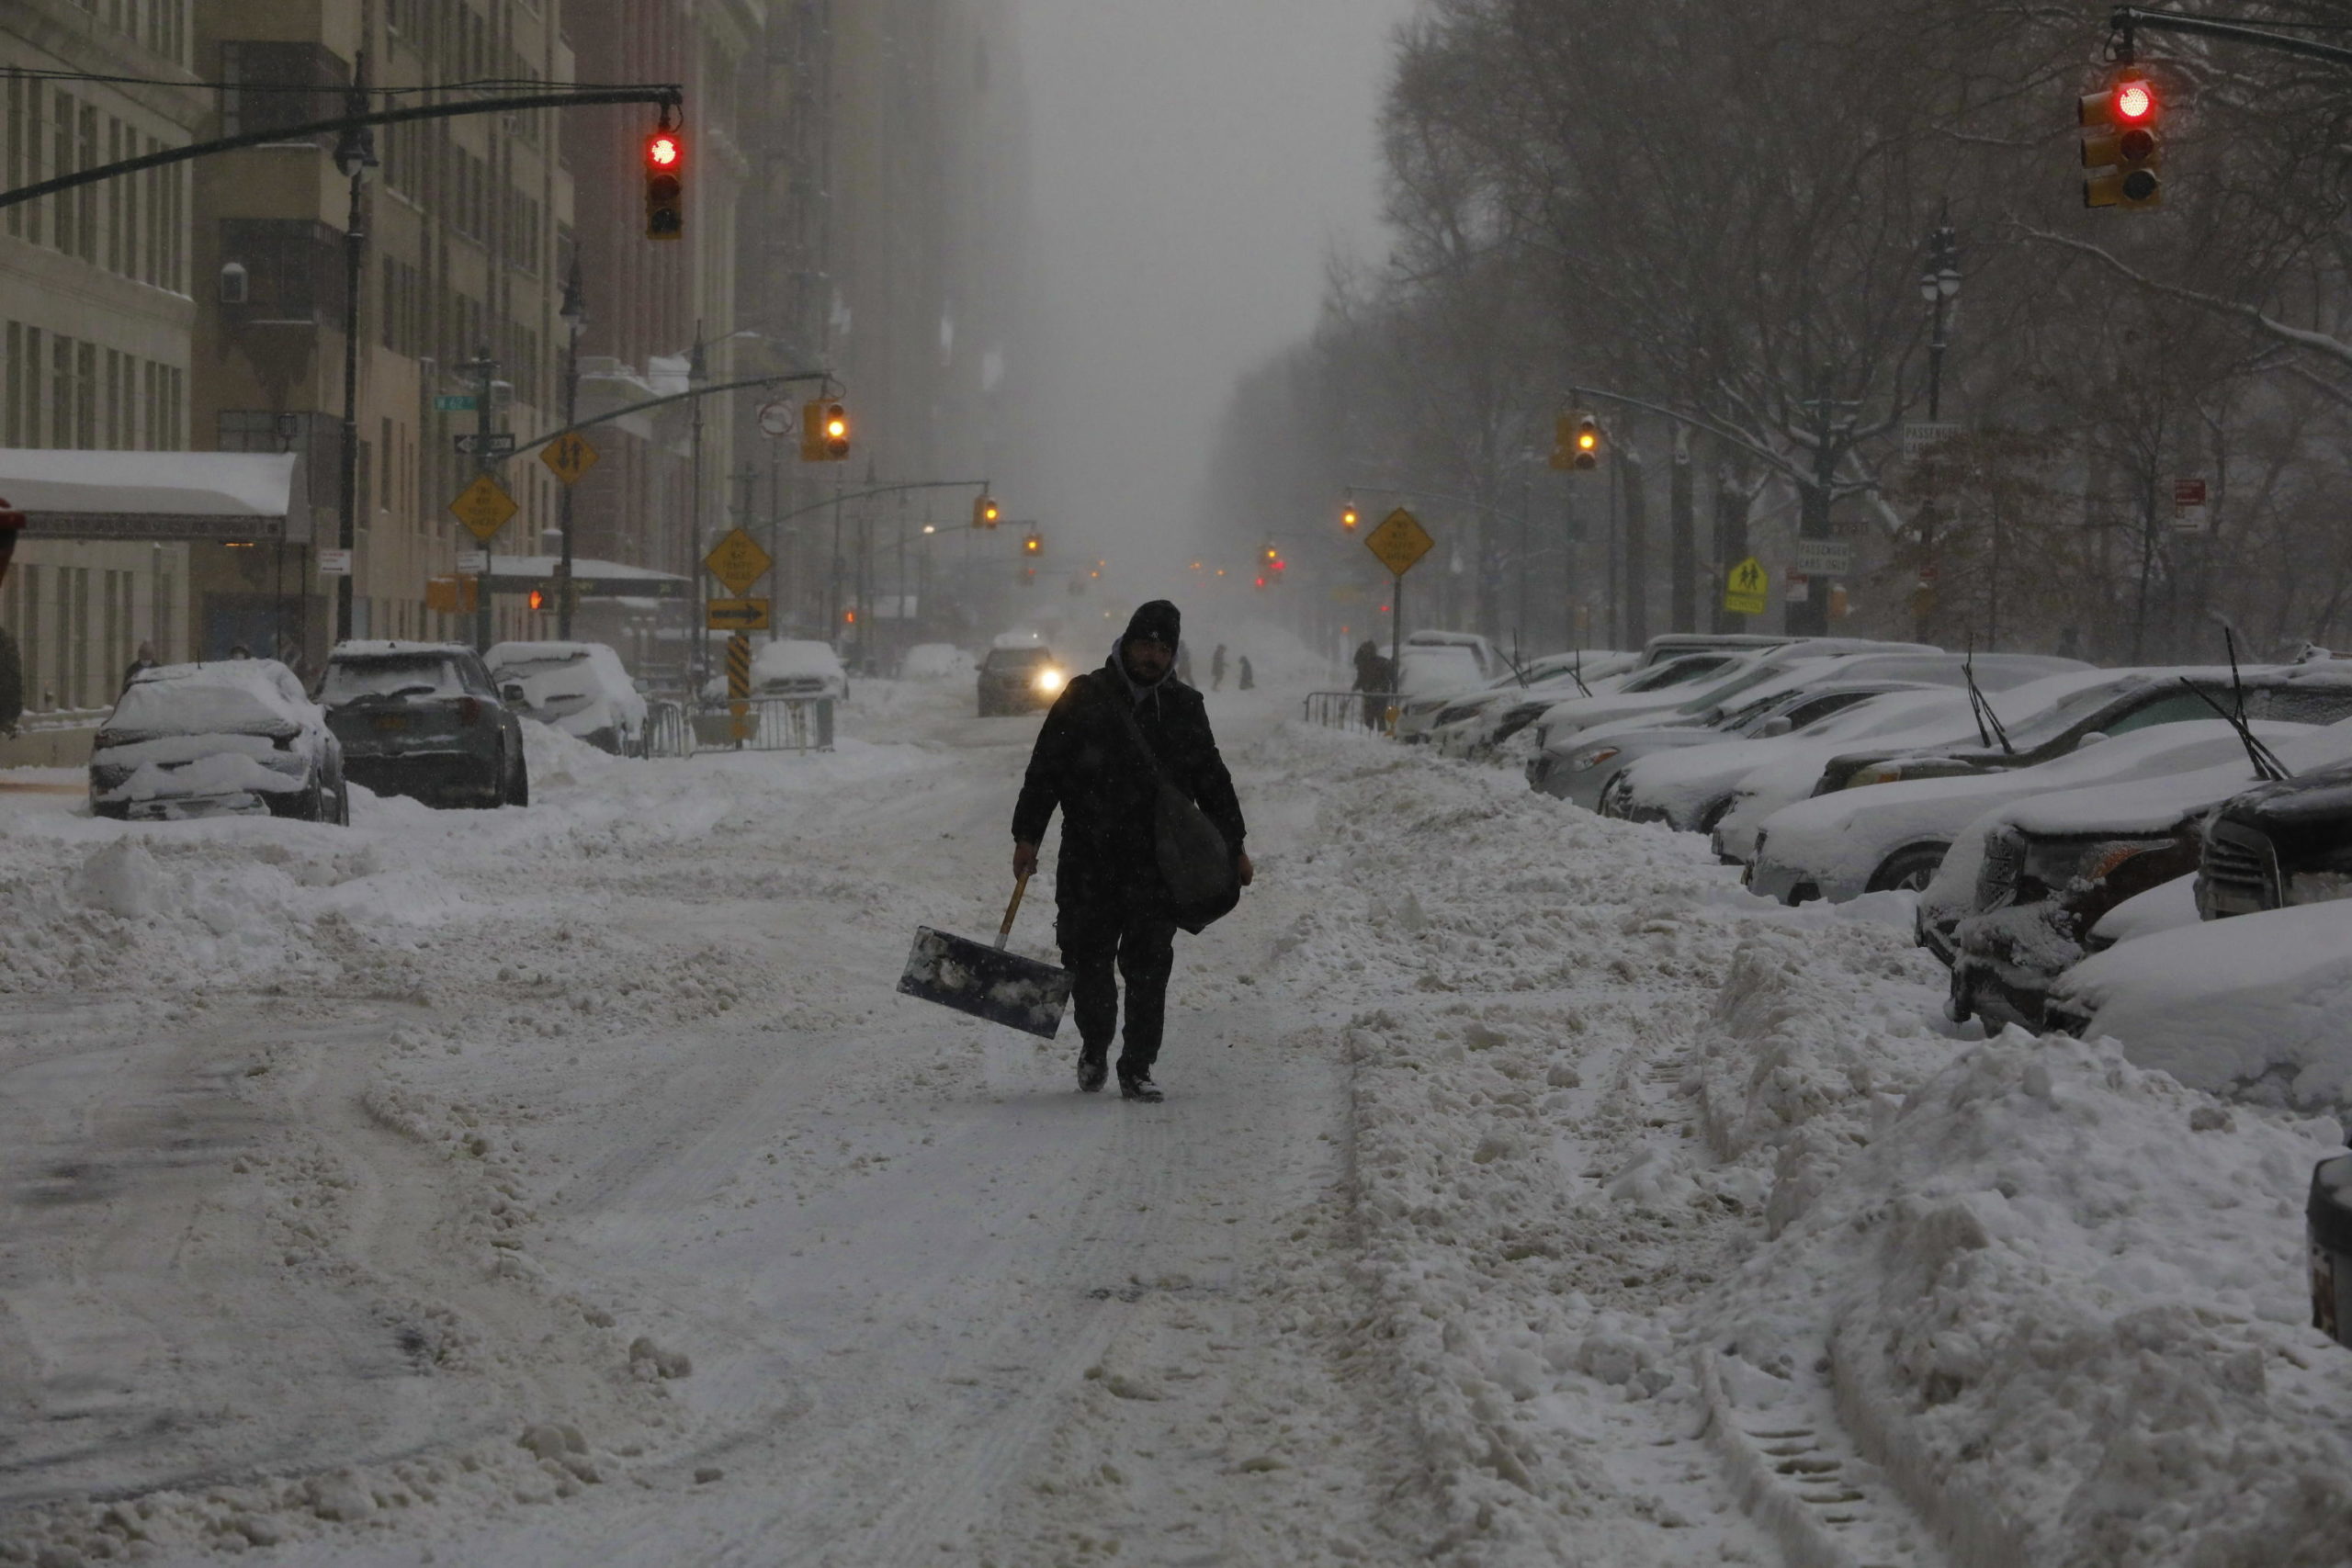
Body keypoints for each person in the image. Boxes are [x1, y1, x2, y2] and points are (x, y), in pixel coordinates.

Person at [1012, 600, 1250, 1102]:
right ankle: (1095, 1046)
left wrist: (1236, 846)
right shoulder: (1084, 696)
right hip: (1088, 858)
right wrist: (1027, 836)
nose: (1153, 657)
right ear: (1126, 643)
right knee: (1086, 959)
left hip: (1154, 865)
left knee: (1148, 967)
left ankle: (1137, 1066)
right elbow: (1044, 771)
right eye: (1146, 645)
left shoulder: (1185, 708)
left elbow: (1213, 781)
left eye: (1164, 649)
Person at [1351, 639, 1393, 731]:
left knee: (1374, 716)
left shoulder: (1367, 663)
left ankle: (1371, 734)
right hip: (1376, 693)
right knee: (1376, 716)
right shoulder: (1379, 662)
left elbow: (1362, 678)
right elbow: (1362, 678)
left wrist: (1357, 686)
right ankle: (1375, 734)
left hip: (1374, 693)